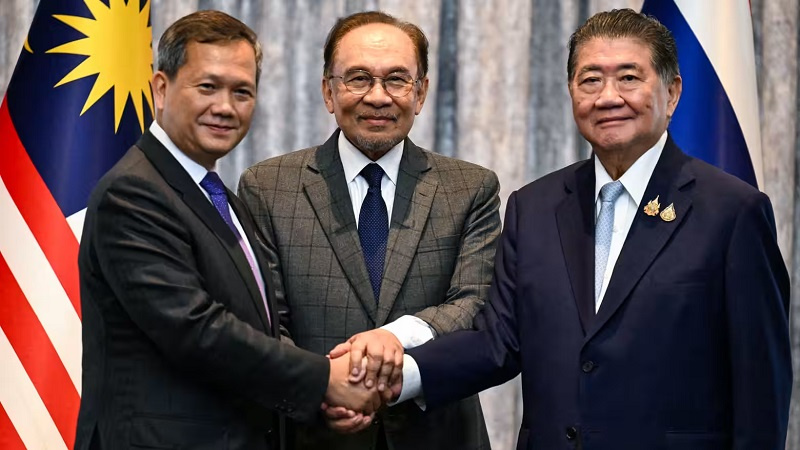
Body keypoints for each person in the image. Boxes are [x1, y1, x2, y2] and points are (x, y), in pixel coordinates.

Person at [401, 8, 792, 449]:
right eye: (590, 80)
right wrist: (399, 375)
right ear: (571, 92)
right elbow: (497, 343)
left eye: (628, 78)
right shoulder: (534, 207)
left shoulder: (733, 213)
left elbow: (761, 389)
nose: (608, 97)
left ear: (672, 92)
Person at [75, 10, 379, 450]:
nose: (224, 107)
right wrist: (324, 381)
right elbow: (197, 330)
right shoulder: (134, 193)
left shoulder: (220, 197)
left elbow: (257, 327)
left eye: (242, 91)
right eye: (207, 87)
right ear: (161, 88)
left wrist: (318, 398)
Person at [238, 11, 499, 450]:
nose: (378, 97)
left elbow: (475, 302)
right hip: (313, 435)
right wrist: (321, 388)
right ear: (329, 91)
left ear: (421, 93)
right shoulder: (267, 187)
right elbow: (264, 321)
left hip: (437, 435)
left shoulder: (471, 187)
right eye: (358, 78)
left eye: (397, 80)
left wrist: (393, 337)